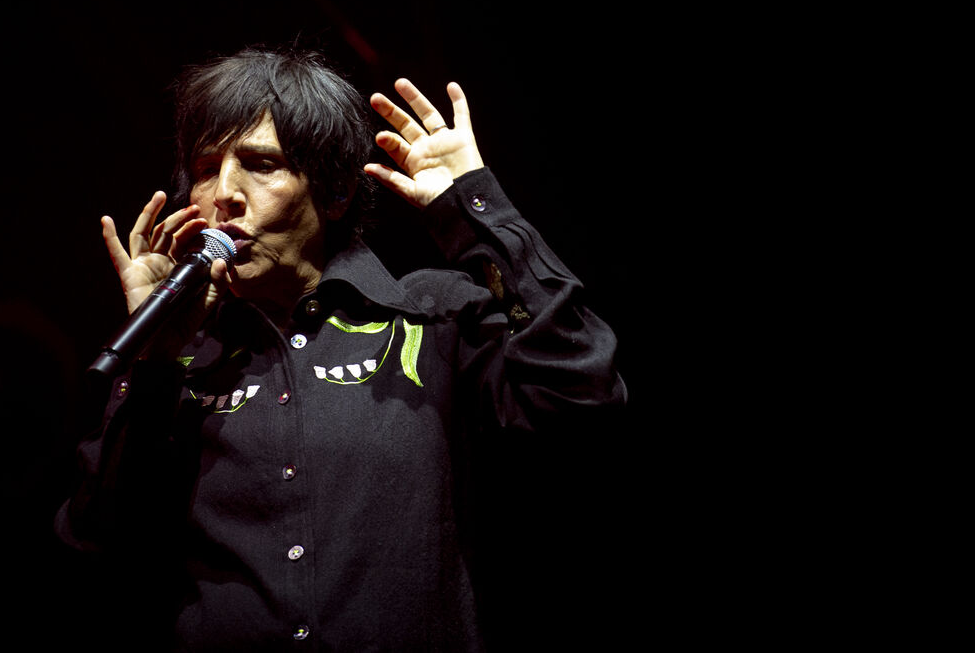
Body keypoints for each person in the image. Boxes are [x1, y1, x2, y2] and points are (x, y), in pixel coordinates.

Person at [54, 46, 626, 651]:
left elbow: (582, 391)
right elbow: (96, 541)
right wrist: (153, 366)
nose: (224, 193)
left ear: (335, 193)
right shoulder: (183, 358)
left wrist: (474, 208)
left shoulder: (432, 315)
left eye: (261, 164)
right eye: (205, 168)